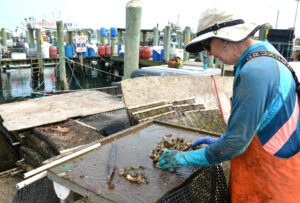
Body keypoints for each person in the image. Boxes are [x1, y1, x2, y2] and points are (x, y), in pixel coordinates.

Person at [158, 8, 300, 202]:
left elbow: (235, 143)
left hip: (270, 181)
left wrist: (185, 158)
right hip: (277, 166)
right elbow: (261, 118)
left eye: (207, 45)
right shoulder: (266, 53)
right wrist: (222, 140)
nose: (208, 52)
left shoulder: (256, 71)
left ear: (225, 39)